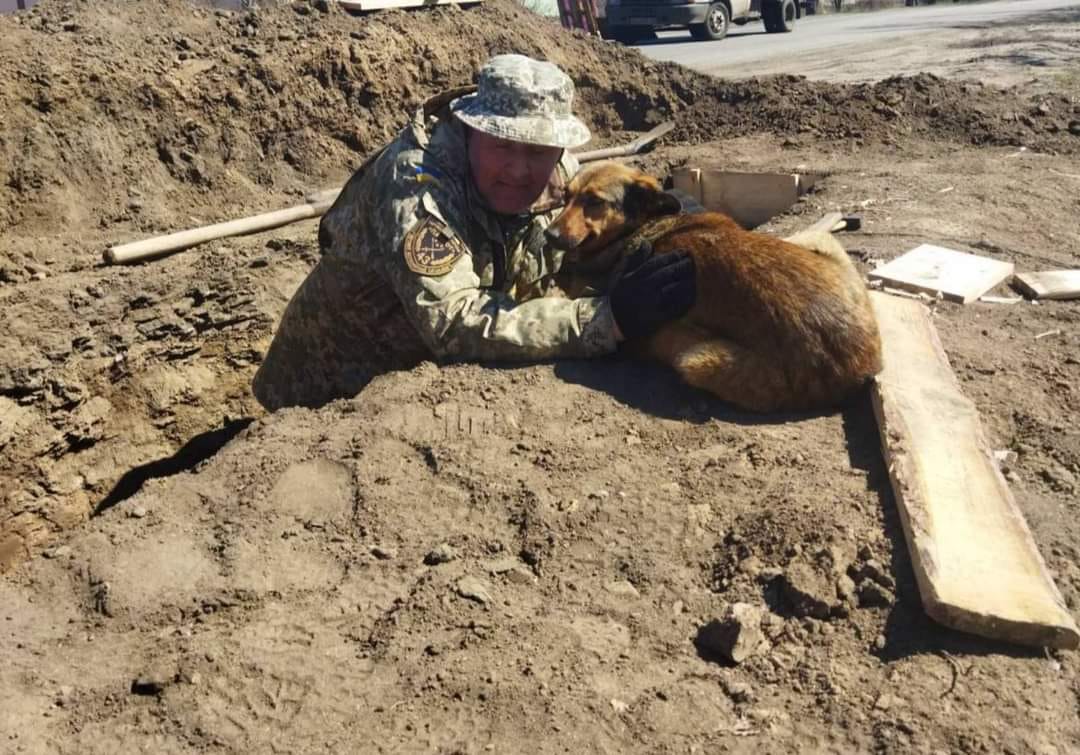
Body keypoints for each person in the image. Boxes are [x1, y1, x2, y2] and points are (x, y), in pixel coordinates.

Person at [252, 54, 695, 412]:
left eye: (538, 150)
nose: (519, 170)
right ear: (470, 131)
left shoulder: (559, 175)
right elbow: (453, 321)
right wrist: (603, 320)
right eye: (503, 145)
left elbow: (591, 234)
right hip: (323, 397)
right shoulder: (417, 185)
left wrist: (667, 230)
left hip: (416, 384)